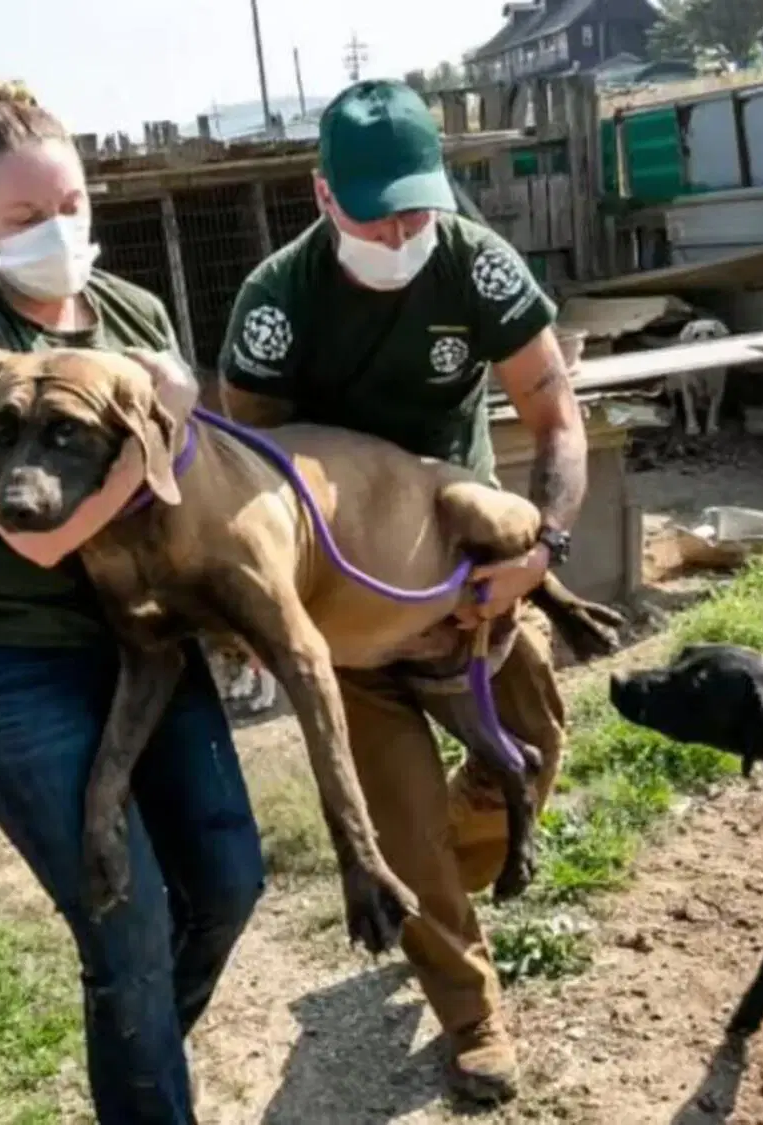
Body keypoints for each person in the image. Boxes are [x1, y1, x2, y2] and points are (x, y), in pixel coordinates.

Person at [0, 74, 264, 1125]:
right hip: (5, 662)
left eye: (71, 205)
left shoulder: (133, 313)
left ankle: (137, 1068)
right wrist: (155, 433)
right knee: (126, 928)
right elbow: (36, 528)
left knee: (228, 883)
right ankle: (144, 1079)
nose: (57, 231)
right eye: (24, 217)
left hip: (143, 642)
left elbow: (197, 492)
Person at [214, 77, 588, 1104]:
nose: (401, 232)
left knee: (532, 749)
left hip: (470, 575)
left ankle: (441, 878)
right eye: (377, 215)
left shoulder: (477, 264)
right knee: (402, 820)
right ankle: (472, 1015)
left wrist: (541, 552)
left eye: (417, 208)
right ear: (322, 195)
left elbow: (555, 418)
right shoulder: (276, 304)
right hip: (347, 609)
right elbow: (250, 481)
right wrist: (264, 616)